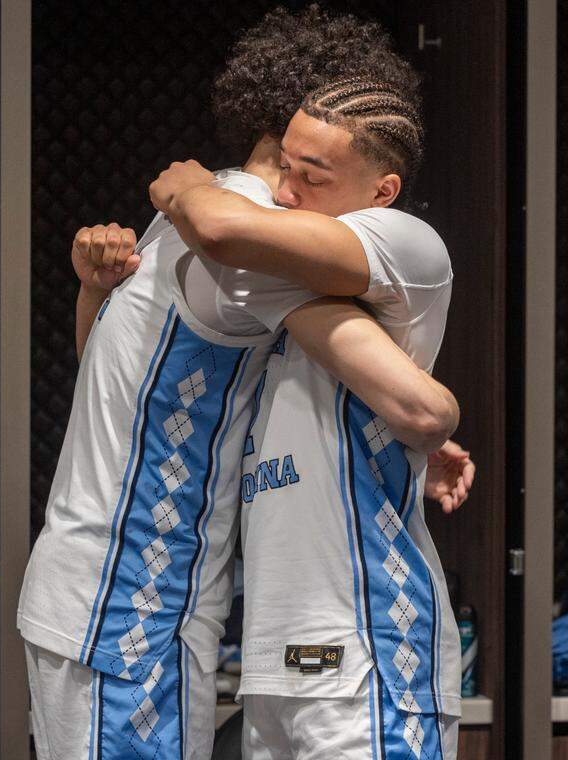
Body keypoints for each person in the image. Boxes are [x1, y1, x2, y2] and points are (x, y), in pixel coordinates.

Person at [18, 7, 469, 759]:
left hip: (95, 590)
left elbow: (112, 366)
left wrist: (98, 287)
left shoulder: (195, 220)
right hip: (133, 606)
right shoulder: (240, 228)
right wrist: (435, 419)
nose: (295, 189)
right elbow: (416, 398)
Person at [150, 76, 468, 759]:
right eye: (284, 168)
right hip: (273, 661)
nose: (286, 192)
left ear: (381, 190)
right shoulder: (284, 282)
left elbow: (223, 227)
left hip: (368, 652)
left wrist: (187, 187)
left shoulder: (403, 240)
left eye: (313, 177)